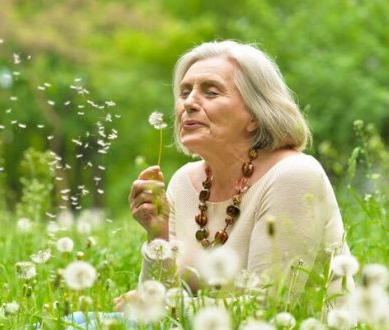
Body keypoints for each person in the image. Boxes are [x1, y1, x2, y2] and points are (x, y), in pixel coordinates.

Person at [116, 40, 351, 310]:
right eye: (184, 92)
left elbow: (271, 307)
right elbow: (154, 314)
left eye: (211, 92)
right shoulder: (183, 183)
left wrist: (168, 307)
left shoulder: (293, 175)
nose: (189, 103)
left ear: (255, 114)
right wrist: (157, 236)